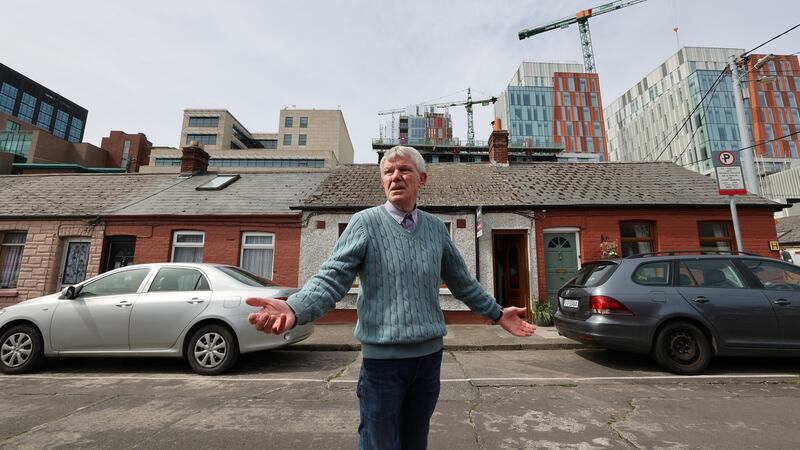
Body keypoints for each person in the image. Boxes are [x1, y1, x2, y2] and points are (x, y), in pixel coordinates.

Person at [246, 145, 535, 450]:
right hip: (382, 364)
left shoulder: (436, 229)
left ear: (421, 179)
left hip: (427, 362)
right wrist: (295, 307)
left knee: (415, 442)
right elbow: (332, 277)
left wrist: (497, 312)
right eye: (388, 172)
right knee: (378, 444)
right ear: (382, 181)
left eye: (404, 170)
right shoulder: (365, 224)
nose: (396, 177)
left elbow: (463, 283)